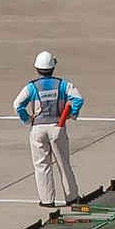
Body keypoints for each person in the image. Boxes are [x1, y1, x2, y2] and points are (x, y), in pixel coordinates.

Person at [18, 50, 83, 207]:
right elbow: (78, 98)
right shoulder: (62, 84)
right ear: (53, 67)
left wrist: (27, 120)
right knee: (64, 164)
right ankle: (71, 197)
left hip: (38, 129)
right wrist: (71, 114)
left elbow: (17, 105)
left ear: (37, 68)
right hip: (57, 127)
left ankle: (47, 200)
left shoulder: (31, 87)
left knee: (42, 165)